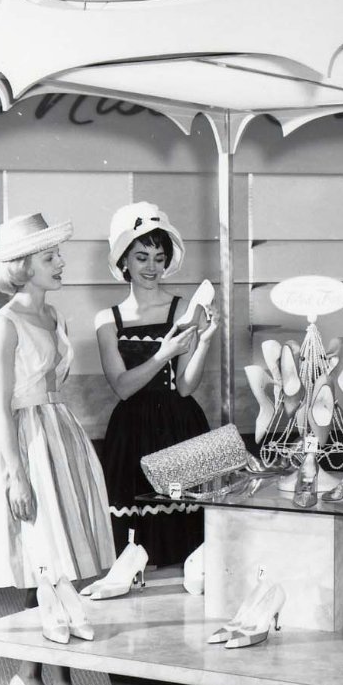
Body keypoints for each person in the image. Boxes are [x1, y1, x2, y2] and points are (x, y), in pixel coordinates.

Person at [0, 213, 116, 685]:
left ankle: (29, 674)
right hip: (26, 445)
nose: (60, 262)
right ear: (22, 265)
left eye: (57, 254)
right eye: (50, 256)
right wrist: (16, 476)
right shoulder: (3, 325)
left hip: (60, 434)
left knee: (58, 564)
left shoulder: (52, 313)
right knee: (50, 564)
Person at [95, 201, 218, 567]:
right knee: (135, 538)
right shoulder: (106, 320)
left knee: (186, 535)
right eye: (141, 257)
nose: (152, 267)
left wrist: (205, 342)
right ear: (124, 263)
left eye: (159, 258)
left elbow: (184, 386)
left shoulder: (183, 310)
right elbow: (122, 386)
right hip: (131, 433)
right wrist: (163, 353)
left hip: (180, 426)